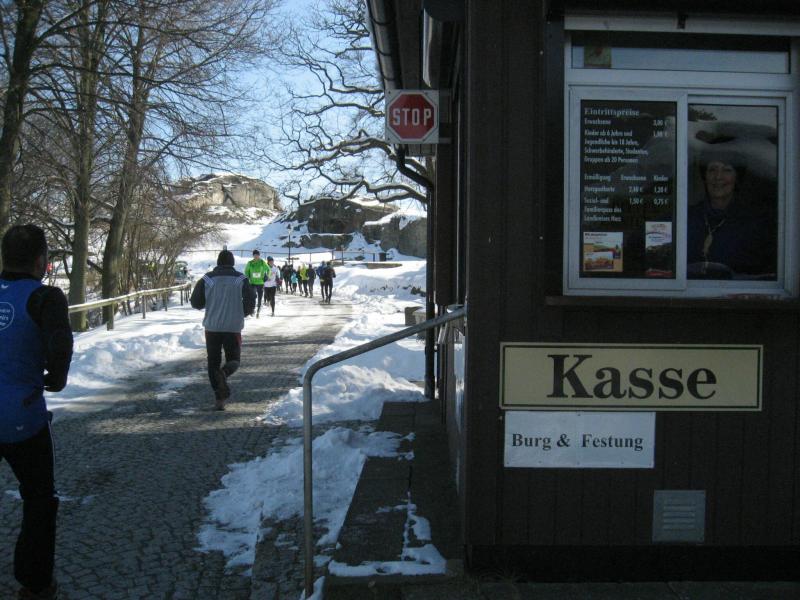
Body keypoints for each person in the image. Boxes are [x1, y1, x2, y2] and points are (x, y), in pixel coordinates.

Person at [1, 224, 73, 600]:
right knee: (39, 499)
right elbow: (60, 344)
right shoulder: (44, 297)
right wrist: (56, 378)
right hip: (21, 417)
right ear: (42, 261)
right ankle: (35, 583)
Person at [687, 158, 776, 279]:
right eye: (712, 169)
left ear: (736, 177)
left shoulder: (754, 222)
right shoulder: (688, 217)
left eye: (727, 170)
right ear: (705, 177)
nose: (718, 177)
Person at [190, 250, 255, 410]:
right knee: (234, 360)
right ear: (232, 262)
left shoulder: (207, 279)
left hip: (212, 326)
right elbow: (251, 299)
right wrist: (242, 312)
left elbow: (196, 302)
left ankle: (219, 399)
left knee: (213, 361)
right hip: (233, 327)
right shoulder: (241, 279)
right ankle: (224, 373)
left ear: (218, 262)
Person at [244, 249, 268, 317]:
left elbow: (268, 269)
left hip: (260, 283)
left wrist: (267, 276)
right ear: (253, 255)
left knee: (260, 297)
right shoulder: (250, 263)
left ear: (259, 255)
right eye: (254, 255)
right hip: (252, 282)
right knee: (253, 296)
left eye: (257, 255)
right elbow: (246, 271)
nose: (256, 256)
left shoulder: (262, 262)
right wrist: (247, 277)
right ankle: (253, 310)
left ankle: (258, 310)